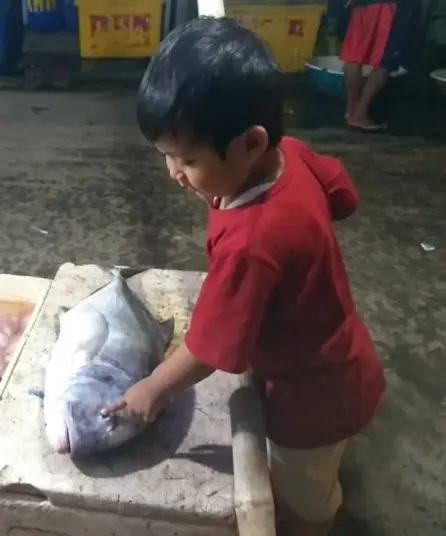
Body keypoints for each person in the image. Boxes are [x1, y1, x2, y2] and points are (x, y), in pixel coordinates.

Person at [102, 18, 386, 536]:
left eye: (186, 159)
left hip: (311, 400)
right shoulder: (290, 154)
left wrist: (154, 388)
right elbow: (343, 193)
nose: (174, 174)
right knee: (316, 476)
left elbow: (211, 348)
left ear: (250, 144)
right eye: (167, 156)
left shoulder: (251, 243)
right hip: (341, 352)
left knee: (304, 499)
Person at [340, 0, 411, 130]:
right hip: (388, 7)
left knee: (354, 56)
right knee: (386, 62)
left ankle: (351, 110)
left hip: (360, 6)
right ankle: (359, 115)